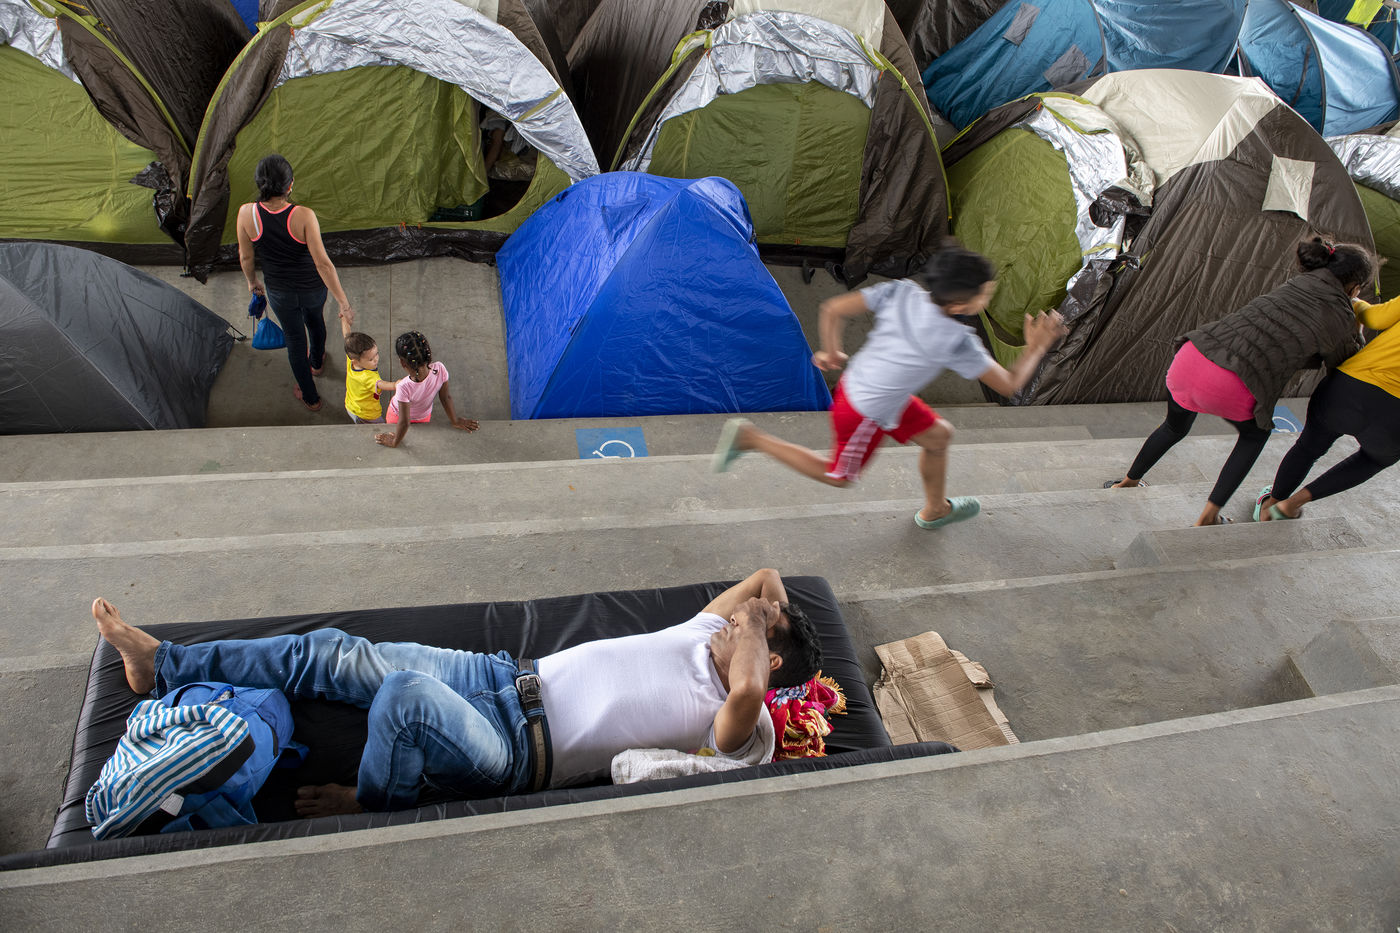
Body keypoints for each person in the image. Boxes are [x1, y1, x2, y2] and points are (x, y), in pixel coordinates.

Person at [90, 568, 823, 816]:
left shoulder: (728, 722)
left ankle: (370, 800)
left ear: (765, 656)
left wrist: (762, 627)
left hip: (517, 750)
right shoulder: (705, 632)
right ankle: (166, 664)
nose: (735, 617)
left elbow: (750, 691)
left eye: (750, 625)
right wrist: (760, 611)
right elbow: (763, 576)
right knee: (335, 651)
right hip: (502, 674)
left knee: (404, 697)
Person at [712, 244, 1067, 529]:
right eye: (986, 294)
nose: (988, 297)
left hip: (869, 387)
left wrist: (832, 350)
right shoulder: (957, 341)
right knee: (839, 476)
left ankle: (936, 509)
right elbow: (1009, 385)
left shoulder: (903, 291)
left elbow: (833, 309)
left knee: (938, 437)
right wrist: (1036, 347)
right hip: (865, 412)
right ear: (961, 304)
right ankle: (751, 438)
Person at [1108, 239, 1375, 526]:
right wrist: (1356, 326)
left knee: (1174, 427)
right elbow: (1345, 364)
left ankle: (1127, 482)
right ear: (1354, 288)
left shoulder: (1297, 283)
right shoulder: (1341, 313)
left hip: (1192, 357)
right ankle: (1208, 516)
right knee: (1254, 437)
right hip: (1234, 381)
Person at [1257, 288, 1400, 521]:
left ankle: (1271, 504)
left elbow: (1376, 319)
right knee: (1375, 459)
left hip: (1349, 387)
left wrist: (1357, 303)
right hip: (1393, 416)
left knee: (1308, 447)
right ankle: (1292, 504)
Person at [237, 154, 354, 413]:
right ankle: (317, 363)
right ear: (290, 185)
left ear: (259, 184)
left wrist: (252, 282)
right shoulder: (304, 215)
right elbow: (323, 265)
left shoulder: (246, 213)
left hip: (280, 292)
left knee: (294, 339)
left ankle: (311, 398)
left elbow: (246, 257)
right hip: (313, 288)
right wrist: (343, 302)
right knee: (315, 321)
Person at [374, 331, 479, 448]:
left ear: (402, 362)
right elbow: (445, 397)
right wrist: (455, 421)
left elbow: (404, 422)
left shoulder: (403, 386)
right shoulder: (440, 369)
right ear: (428, 354)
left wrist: (394, 442)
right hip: (423, 417)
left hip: (396, 417)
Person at [338, 308, 385, 424]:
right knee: (382, 428)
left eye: (377, 354)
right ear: (356, 361)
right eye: (371, 359)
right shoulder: (368, 377)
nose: (376, 359)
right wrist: (397, 384)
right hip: (367, 415)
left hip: (351, 405)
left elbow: (347, 336)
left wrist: (344, 319)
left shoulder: (352, 359)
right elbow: (383, 385)